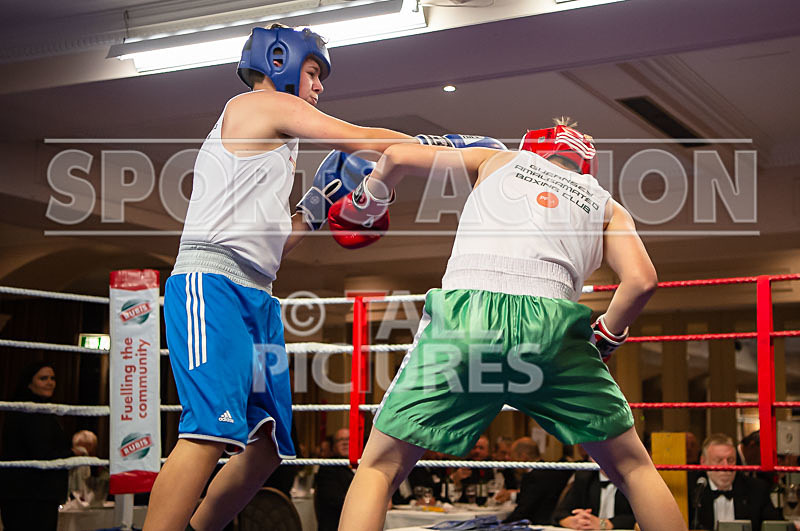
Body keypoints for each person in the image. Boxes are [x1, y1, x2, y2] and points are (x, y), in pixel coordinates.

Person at [335, 119, 687, 530]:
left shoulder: (498, 159)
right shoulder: (606, 205)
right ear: (584, 165)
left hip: (469, 317)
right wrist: (607, 335)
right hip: (554, 327)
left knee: (379, 469)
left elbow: (396, 155)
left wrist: (368, 201)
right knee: (633, 468)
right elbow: (642, 281)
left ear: (531, 149)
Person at [142, 24, 420, 531]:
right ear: (278, 62)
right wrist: (442, 149)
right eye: (313, 72)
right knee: (208, 433)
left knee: (267, 447)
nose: (319, 86)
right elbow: (361, 139)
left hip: (257, 295)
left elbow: (276, 246)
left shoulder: (276, 144)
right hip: (211, 283)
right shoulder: (257, 104)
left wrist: (314, 207)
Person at [0, 362, 82, 530]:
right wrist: (73, 453)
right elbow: (42, 452)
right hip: (27, 495)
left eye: (52, 378)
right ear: (29, 383)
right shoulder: (27, 411)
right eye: (43, 378)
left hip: (39, 494)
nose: (50, 382)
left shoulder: (44, 411)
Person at [688, 433, 782, 530]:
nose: (726, 466)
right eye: (719, 460)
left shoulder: (757, 489)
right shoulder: (692, 490)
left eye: (730, 460)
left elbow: (776, 527)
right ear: (703, 462)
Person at [501, 437, 573, 525]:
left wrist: (501, 524)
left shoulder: (533, 477)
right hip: (554, 522)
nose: (510, 460)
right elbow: (535, 496)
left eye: (512, 457)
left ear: (523, 457)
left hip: (538, 524)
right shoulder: (553, 471)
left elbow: (524, 511)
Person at [314, 429, 354, 531]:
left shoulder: (363, 465)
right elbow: (335, 500)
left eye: (349, 439)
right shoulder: (328, 467)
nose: (345, 443)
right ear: (334, 446)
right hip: (336, 525)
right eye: (340, 440)